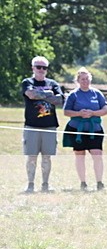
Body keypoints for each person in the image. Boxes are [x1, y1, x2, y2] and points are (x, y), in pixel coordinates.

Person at [21, 56, 63, 193]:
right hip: (32, 126)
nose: (41, 70)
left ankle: (45, 184)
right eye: (38, 67)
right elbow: (30, 95)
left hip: (49, 126)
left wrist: (41, 94)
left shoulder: (53, 83)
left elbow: (59, 100)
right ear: (33, 68)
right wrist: (48, 94)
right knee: (31, 157)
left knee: (47, 157)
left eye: (44, 67)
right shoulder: (27, 82)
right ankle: (30, 184)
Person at [62, 67, 107, 191]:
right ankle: (83, 182)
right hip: (78, 130)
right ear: (78, 80)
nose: (85, 81)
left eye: (87, 79)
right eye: (82, 79)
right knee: (79, 155)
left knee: (97, 154)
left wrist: (93, 113)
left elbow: (105, 110)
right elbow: (66, 112)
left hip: (95, 129)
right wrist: (79, 113)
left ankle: (99, 182)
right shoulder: (73, 95)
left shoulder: (97, 93)